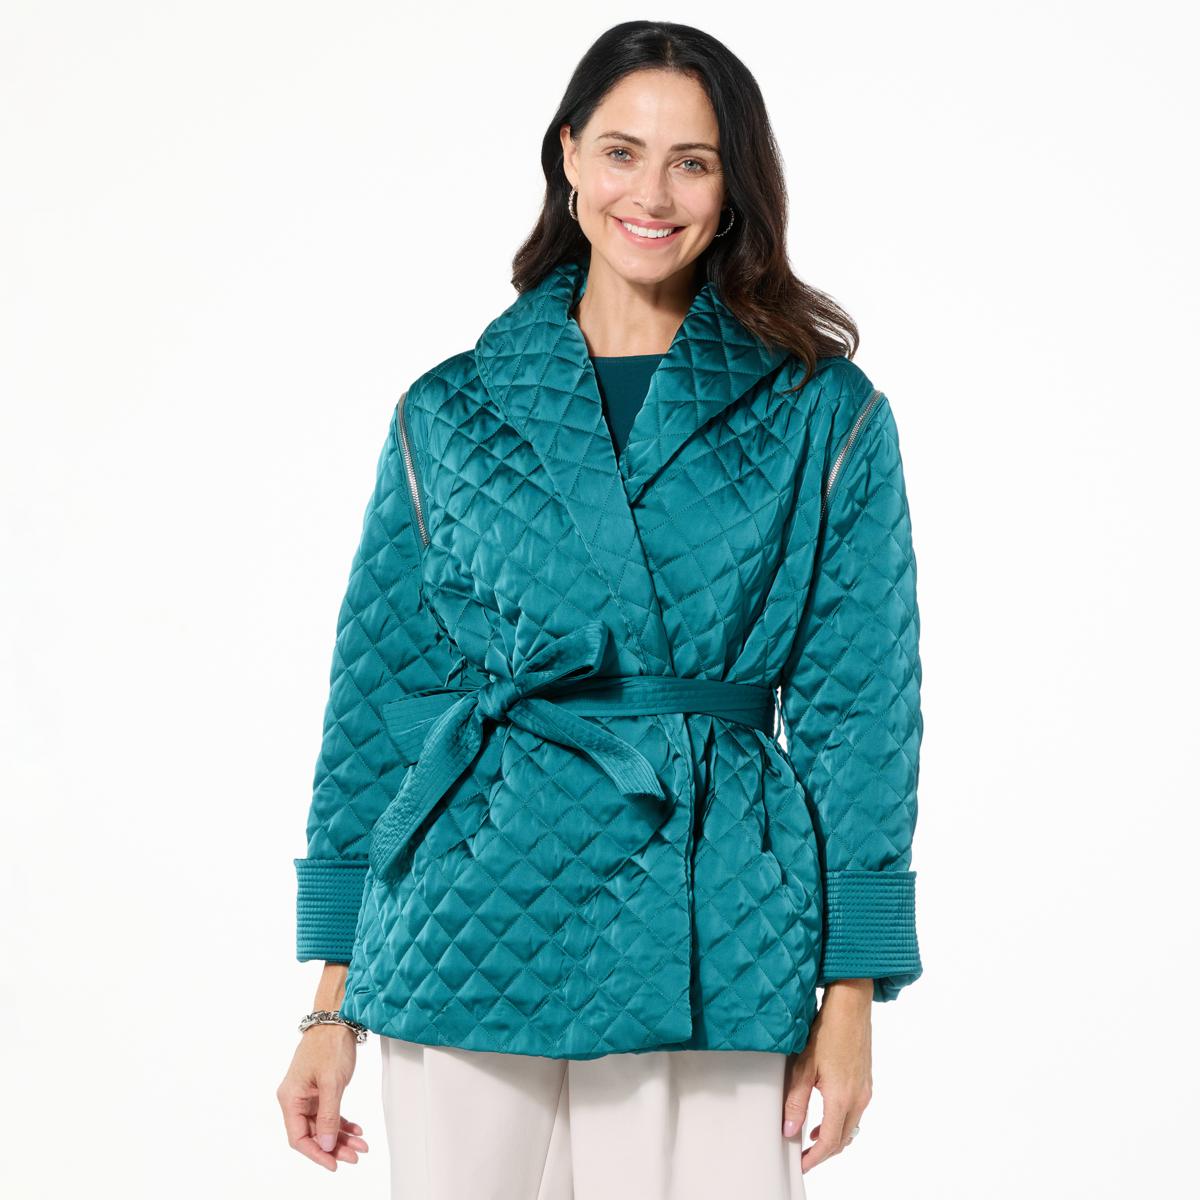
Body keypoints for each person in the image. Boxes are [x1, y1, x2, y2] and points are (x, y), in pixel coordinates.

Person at [276, 19, 924, 1200]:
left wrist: (851, 995)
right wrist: (331, 1004)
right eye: (622, 152)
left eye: (693, 162)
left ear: (734, 187)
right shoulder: (449, 409)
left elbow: (859, 716)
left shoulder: (824, 413)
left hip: (713, 913)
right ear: (569, 155)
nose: (652, 195)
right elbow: (383, 705)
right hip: (464, 911)